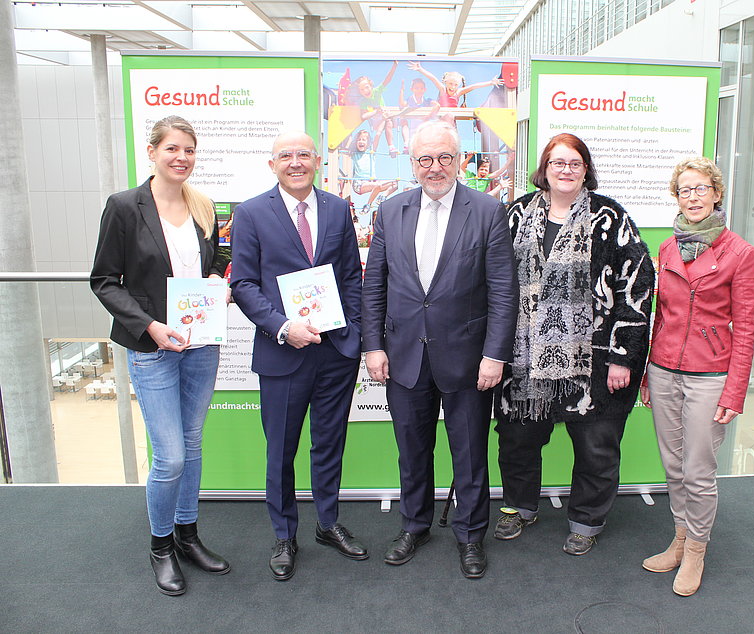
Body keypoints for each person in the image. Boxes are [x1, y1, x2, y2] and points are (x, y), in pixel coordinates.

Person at [361, 120, 518, 579]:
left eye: (445, 157)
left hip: (469, 358)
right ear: (411, 164)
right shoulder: (390, 212)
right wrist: (373, 346)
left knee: (469, 453)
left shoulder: (488, 211)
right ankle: (415, 525)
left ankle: (470, 536)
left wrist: (495, 355)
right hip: (404, 354)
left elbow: (503, 291)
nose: (435, 167)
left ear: (460, 160)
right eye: (425, 159)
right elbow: (374, 287)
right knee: (412, 449)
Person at [493, 133, 655, 556]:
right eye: (557, 162)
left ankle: (586, 519)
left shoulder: (610, 217)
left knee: (596, 446)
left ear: (586, 169)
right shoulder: (514, 214)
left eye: (575, 163)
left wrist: (625, 355)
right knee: (517, 440)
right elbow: (492, 281)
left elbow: (637, 285)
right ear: (544, 168)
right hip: (524, 359)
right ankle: (518, 507)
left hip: (595, 360)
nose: (566, 170)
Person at [90, 115, 230, 596]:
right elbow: (105, 281)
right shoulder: (125, 207)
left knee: (191, 447)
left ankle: (189, 536)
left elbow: (215, 260)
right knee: (169, 456)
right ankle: (161, 546)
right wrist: (150, 325)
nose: (181, 158)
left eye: (189, 149)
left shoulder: (203, 205)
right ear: (152, 152)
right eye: (172, 148)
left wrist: (218, 279)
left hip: (200, 346)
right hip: (153, 348)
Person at [230, 131, 366, 581]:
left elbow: (350, 275)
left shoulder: (337, 208)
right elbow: (243, 284)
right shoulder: (250, 213)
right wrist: (284, 327)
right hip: (283, 353)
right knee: (281, 451)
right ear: (272, 164)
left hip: (335, 353)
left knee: (329, 444)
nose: (295, 162)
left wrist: (354, 333)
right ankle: (284, 535)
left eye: (303, 154)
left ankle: (327, 524)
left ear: (317, 161)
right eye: (285, 155)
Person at [639, 156, 754, 597]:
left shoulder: (742, 254)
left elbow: (746, 328)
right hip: (665, 369)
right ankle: (678, 539)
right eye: (684, 190)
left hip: (711, 374)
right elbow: (659, 317)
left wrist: (736, 389)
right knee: (673, 466)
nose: (692, 197)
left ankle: (696, 551)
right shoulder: (668, 249)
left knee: (698, 470)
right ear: (677, 196)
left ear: (716, 193)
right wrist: (648, 376)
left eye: (700, 189)